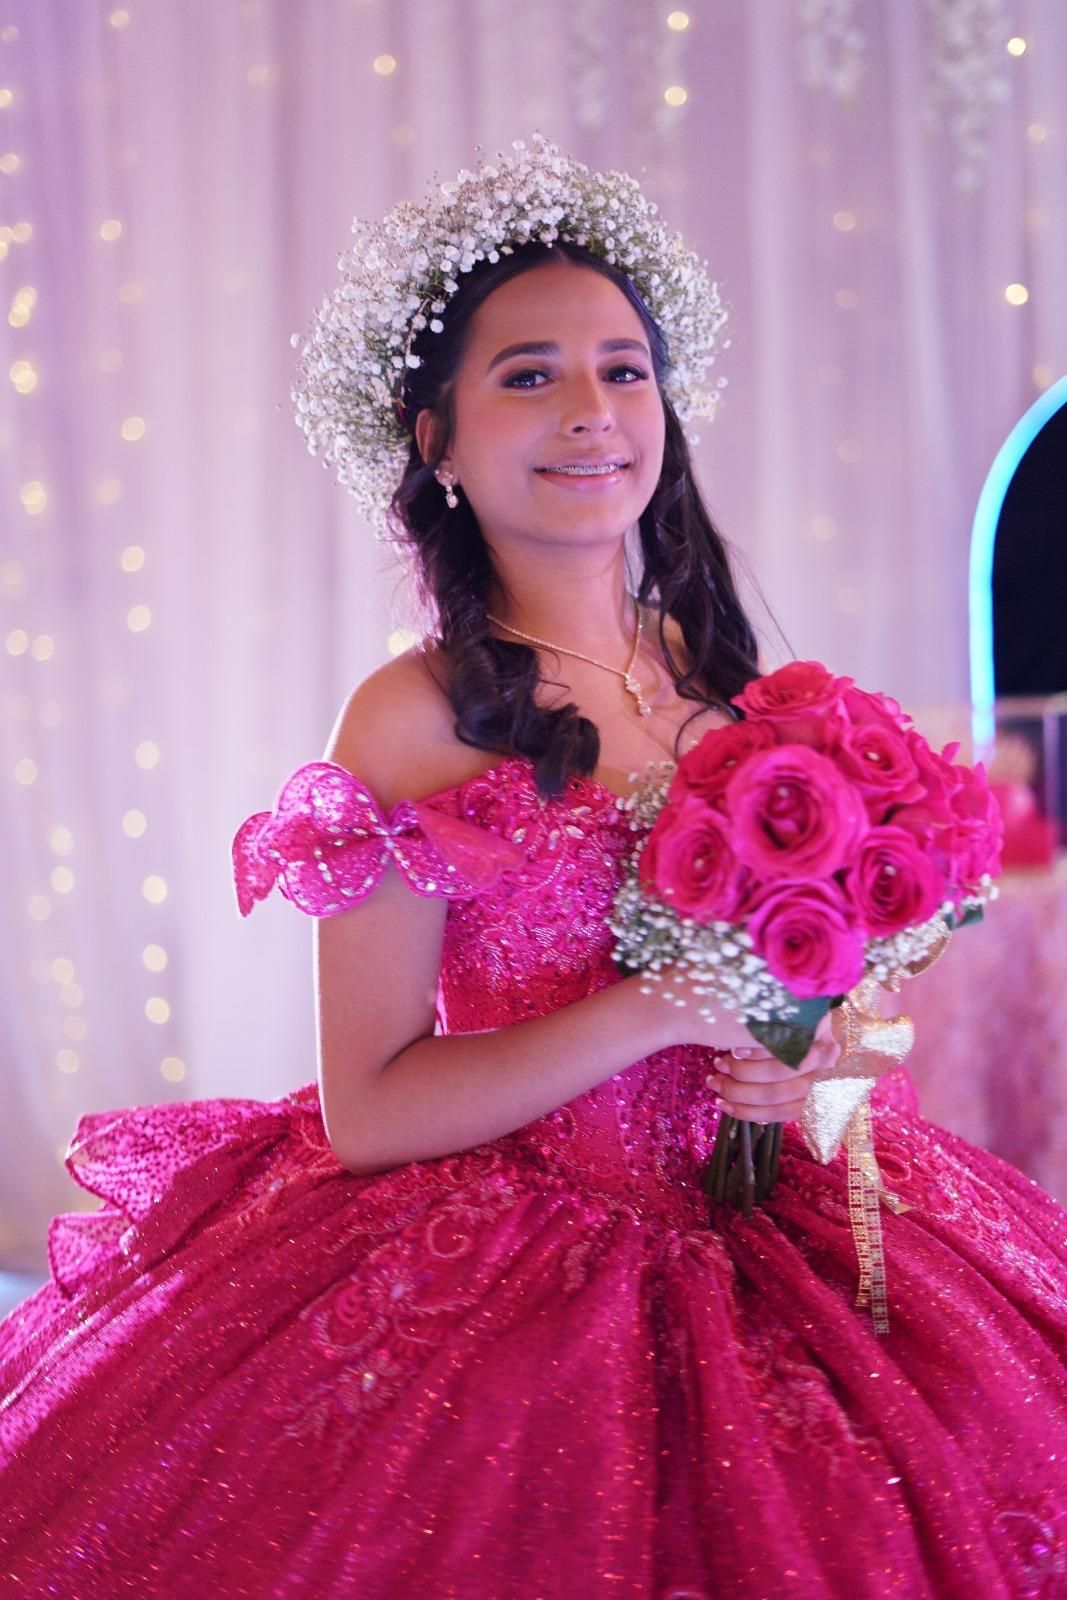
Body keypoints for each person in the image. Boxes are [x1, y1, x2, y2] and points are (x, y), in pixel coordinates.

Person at [0, 136, 1064, 1600]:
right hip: (500, 1244)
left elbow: (793, 994)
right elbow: (369, 1109)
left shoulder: (727, 683)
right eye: (529, 375)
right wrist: (649, 1013)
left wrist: (784, 1056)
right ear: (434, 437)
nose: (591, 412)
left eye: (624, 371)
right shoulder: (414, 713)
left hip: (763, 1224)